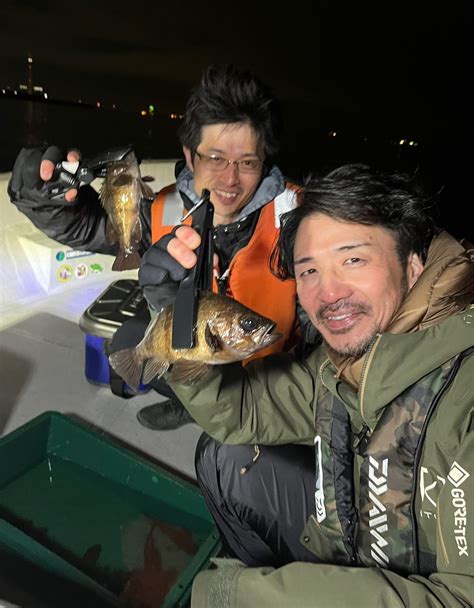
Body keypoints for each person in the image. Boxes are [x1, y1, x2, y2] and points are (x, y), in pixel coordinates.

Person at [146, 163, 473, 606]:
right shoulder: (340, 364)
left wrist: (243, 595)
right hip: (348, 548)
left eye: (353, 259)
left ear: (413, 265)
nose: (328, 293)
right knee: (226, 457)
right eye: (308, 271)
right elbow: (244, 411)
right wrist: (180, 329)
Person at [7, 64, 316, 430]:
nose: (230, 179)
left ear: (265, 160)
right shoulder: (163, 207)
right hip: (204, 362)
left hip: (271, 376)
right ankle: (191, 406)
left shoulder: (301, 217)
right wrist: (41, 194)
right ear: (189, 155)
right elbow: (88, 226)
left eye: (247, 162)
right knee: (130, 339)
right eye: (215, 158)